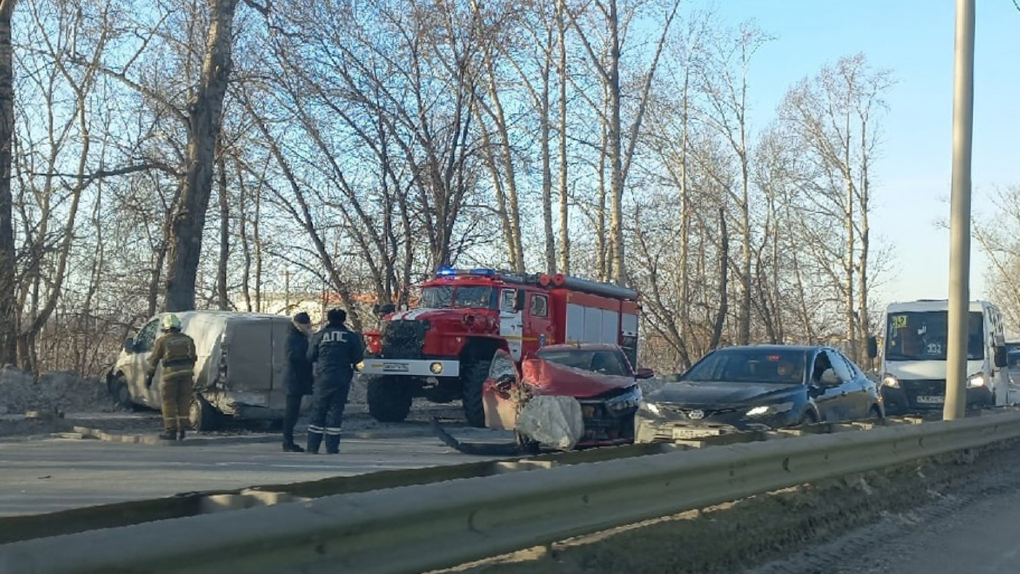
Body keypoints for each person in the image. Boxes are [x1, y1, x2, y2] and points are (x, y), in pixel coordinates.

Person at [305, 308, 364, 454]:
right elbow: (358, 359)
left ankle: (312, 447)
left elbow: (310, 356)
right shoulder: (351, 337)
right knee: (336, 411)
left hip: (323, 377)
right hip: (342, 378)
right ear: (344, 320)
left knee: (318, 410)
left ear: (328, 319)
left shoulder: (319, 335)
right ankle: (332, 447)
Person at [147, 314, 197, 441]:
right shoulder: (188, 340)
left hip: (170, 375)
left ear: (166, 328)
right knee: (184, 400)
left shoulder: (162, 341)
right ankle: (183, 429)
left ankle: (171, 430)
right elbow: (193, 357)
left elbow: (154, 359)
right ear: (178, 327)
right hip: (186, 375)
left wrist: (149, 376)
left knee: (168, 401)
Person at [282, 311, 314, 452]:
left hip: (298, 379)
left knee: (293, 412)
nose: (309, 326)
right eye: (306, 324)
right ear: (299, 324)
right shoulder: (293, 338)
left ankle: (288, 441)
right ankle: (287, 442)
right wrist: (308, 358)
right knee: (291, 413)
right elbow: (293, 356)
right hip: (294, 380)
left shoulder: (299, 337)